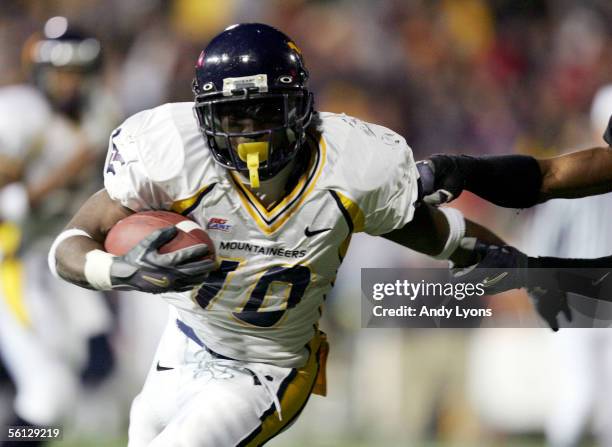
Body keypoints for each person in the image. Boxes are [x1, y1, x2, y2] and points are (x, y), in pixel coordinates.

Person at [48, 23, 601, 446]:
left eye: (264, 110)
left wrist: (515, 266)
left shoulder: (353, 165)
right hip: (185, 342)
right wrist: (114, 269)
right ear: (205, 117)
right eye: (234, 116)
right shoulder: (170, 151)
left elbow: (433, 233)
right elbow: (71, 244)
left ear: (300, 106)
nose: (251, 134)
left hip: (270, 366)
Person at [0, 17, 119, 446]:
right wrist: (54, 179)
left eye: (78, 73)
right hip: (12, 260)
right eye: (60, 72)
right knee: (49, 395)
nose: (68, 83)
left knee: (65, 394)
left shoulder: (101, 113)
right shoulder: (17, 113)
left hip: (57, 262)